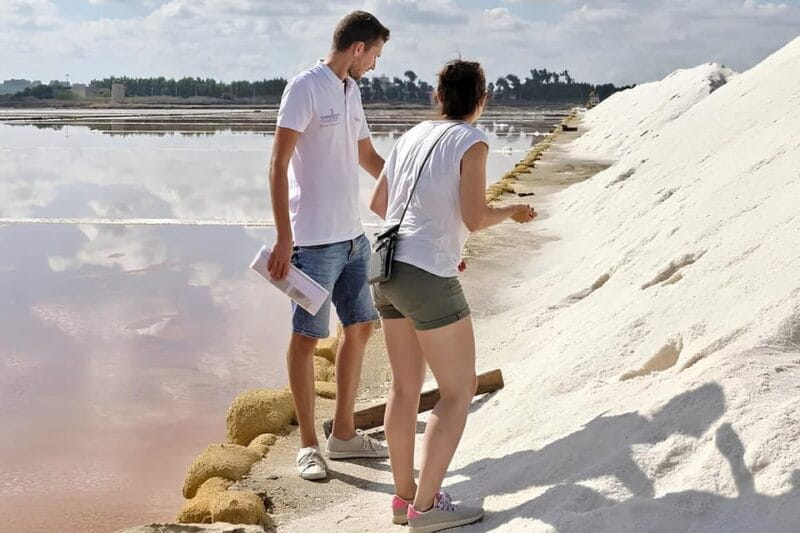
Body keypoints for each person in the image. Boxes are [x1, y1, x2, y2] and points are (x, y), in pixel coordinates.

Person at [370, 59, 536, 531]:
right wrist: (514, 211)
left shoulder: (409, 136)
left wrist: (440, 242)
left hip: (385, 267)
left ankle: (403, 501)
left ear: (437, 97)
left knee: (403, 388)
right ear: (481, 100)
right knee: (458, 391)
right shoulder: (472, 140)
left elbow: (379, 204)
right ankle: (426, 509)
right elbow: (476, 216)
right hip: (425, 273)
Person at [267, 10, 390, 481]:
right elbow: (277, 165)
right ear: (357, 48)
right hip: (313, 244)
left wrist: (408, 187)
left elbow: (367, 156)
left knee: (360, 328)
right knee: (306, 339)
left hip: (353, 238)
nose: (375, 66)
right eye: (375, 55)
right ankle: (308, 446)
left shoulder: (351, 90)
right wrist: (284, 236)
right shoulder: (304, 87)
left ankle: (343, 434)